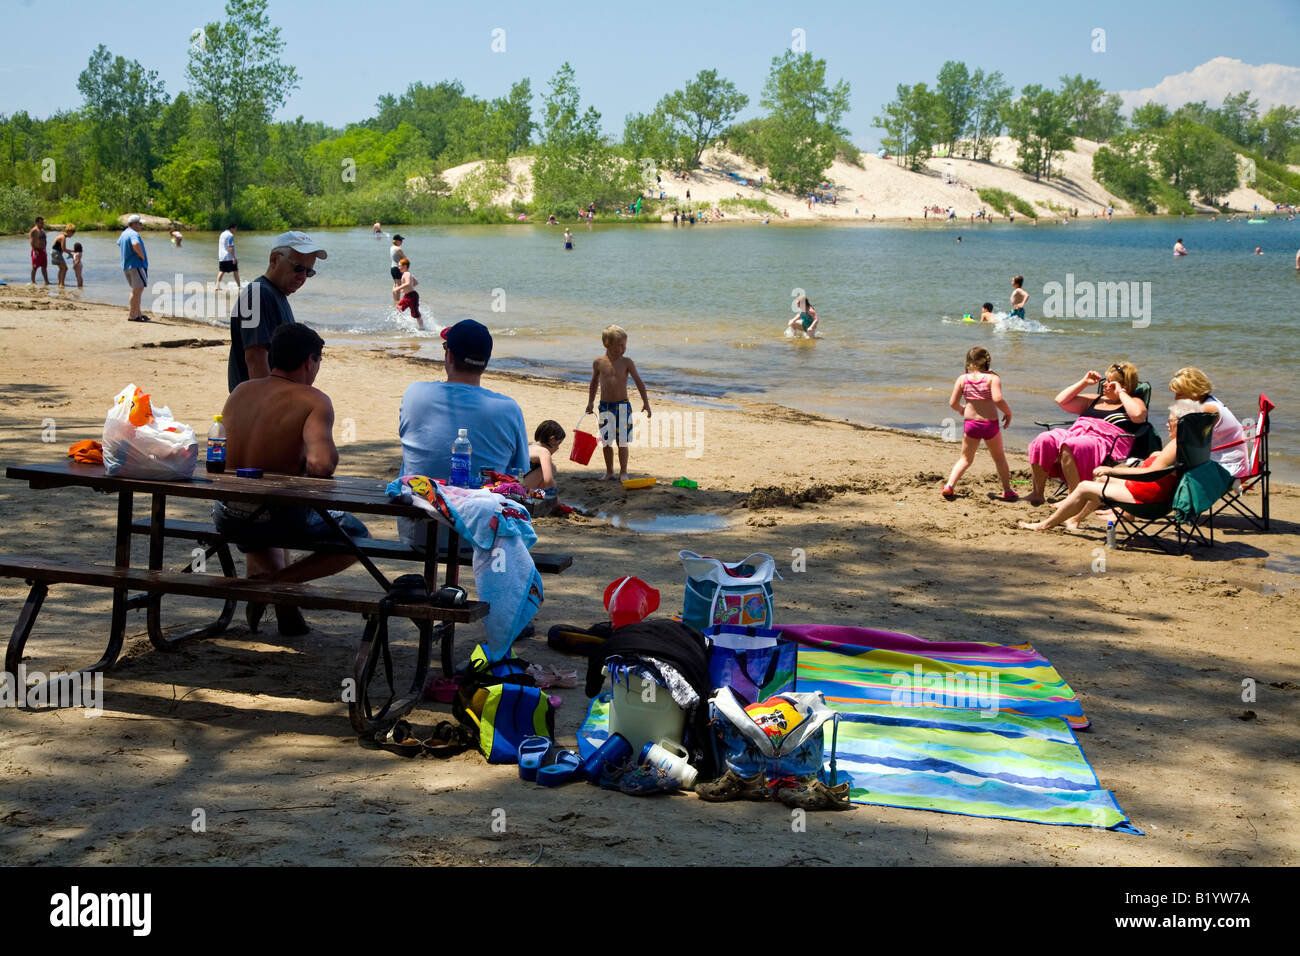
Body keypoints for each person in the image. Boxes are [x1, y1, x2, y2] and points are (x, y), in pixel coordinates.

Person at [213, 324, 368, 636]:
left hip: (228, 514)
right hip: (273, 518)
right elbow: (322, 466)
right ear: (309, 361)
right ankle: (276, 584)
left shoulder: (240, 391)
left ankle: (287, 612)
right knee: (357, 536)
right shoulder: (313, 400)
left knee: (260, 517)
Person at [397, 319, 530, 546]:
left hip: (418, 530)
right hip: (480, 535)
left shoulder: (414, 394)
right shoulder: (509, 409)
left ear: (449, 356)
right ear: (485, 363)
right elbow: (517, 474)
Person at [1019, 400, 1202, 532]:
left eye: (1171, 421)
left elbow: (1151, 472)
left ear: (1182, 423)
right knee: (1102, 479)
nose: (1167, 424)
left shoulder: (1176, 445)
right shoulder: (1193, 443)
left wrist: (1113, 469)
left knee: (1085, 486)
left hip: (1149, 498)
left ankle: (1043, 525)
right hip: (1159, 493)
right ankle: (1074, 519)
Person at [1026, 362, 1148, 505]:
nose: (1104, 384)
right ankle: (1037, 493)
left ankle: (1074, 498)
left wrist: (1121, 393)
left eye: (1110, 382)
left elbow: (1139, 416)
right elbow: (1060, 400)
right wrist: (1084, 382)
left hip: (1103, 441)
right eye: (1105, 380)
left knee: (1071, 445)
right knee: (1044, 439)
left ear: (1123, 385)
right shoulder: (1094, 399)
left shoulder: (1133, 402)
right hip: (1077, 433)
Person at [227, 230, 327, 391]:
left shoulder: (274, 294)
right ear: (274, 260)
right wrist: (270, 406)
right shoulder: (257, 295)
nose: (303, 277)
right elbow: (255, 358)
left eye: (309, 272)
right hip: (255, 404)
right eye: (298, 268)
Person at [942, 347, 1016, 500]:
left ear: (968, 361)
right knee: (999, 458)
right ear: (987, 360)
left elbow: (952, 403)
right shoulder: (992, 379)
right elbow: (998, 399)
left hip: (971, 424)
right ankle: (1007, 490)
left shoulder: (962, 379)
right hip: (990, 424)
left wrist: (962, 410)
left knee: (965, 459)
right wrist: (1008, 413)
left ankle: (949, 485)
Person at [586, 324, 652, 481]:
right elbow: (594, 383)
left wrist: (646, 402)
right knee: (607, 441)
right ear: (607, 344)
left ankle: (623, 472)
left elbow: (639, 382)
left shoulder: (627, 362)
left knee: (622, 441)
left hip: (622, 406)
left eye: (625, 345)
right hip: (605, 407)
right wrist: (590, 402)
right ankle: (609, 471)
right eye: (620, 345)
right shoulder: (599, 362)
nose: (623, 349)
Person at [1168, 367, 1247, 477]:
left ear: (1194, 391)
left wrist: (1173, 419)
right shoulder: (1212, 401)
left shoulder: (1205, 410)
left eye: (1180, 394)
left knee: (1165, 467)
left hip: (1227, 467)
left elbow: (1179, 439)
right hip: (1232, 462)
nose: (1176, 399)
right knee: (1163, 460)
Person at [117, 214, 150, 322]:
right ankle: (132, 315)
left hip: (127, 265)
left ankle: (138, 313)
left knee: (137, 289)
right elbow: (135, 244)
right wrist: (142, 256)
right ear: (135, 224)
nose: (141, 226)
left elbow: (119, 244)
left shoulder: (123, 234)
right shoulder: (133, 233)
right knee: (137, 290)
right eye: (140, 224)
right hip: (136, 265)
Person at [522, 420, 566, 491]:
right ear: (552, 439)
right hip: (517, 490)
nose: (558, 448)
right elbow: (548, 480)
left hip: (506, 485)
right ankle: (531, 498)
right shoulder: (543, 452)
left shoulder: (528, 446)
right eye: (558, 443)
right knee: (551, 467)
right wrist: (555, 499)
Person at [393, 257, 422, 329]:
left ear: (405, 266)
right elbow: (415, 283)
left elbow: (408, 283)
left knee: (416, 314)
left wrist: (398, 288)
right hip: (407, 296)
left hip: (412, 296)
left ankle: (422, 328)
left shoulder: (407, 274)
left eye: (400, 266)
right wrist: (405, 289)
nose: (398, 267)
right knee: (398, 309)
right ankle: (402, 325)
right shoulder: (409, 274)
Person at [216, 223, 240, 288]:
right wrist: (234, 257)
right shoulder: (230, 235)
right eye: (235, 229)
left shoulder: (222, 234)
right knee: (235, 271)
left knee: (221, 271)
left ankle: (217, 286)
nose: (235, 230)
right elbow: (230, 247)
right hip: (229, 257)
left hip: (222, 257)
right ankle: (239, 286)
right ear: (231, 228)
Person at [29, 216, 49, 284]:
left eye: (43, 223)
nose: (42, 224)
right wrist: (35, 250)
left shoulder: (43, 230)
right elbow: (31, 241)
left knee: (44, 267)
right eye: (41, 223)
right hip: (36, 251)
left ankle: (46, 281)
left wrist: (45, 249)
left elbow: (45, 240)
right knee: (35, 267)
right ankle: (33, 281)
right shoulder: (34, 230)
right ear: (36, 223)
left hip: (43, 251)